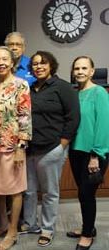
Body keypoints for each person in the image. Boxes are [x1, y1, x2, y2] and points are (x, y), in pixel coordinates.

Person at [21, 51, 80, 247]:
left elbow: (73, 117)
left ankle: (47, 229)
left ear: (51, 66)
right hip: (29, 148)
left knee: (49, 193)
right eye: (35, 64)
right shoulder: (28, 88)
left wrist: (62, 144)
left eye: (43, 63)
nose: (38, 67)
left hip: (51, 149)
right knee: (29, 191)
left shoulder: (62, 87)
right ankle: (30, 224)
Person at [0, 46, 32, 250]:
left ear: (12, 63)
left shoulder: (21, 85)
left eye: (5, 59)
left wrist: (21, 146)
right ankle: (3, 223)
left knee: (14, 188)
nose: (1, 63)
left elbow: (25, 117)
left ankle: (12, 231)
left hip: (12, 144)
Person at [67, 56, 109, 250]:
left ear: (92, 71)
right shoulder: (74, 93)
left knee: (87, 193)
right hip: (76, 150)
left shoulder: (99, 92)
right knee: (83, 194)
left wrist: (95, 155)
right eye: (77, 68)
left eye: (85, 68)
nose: (80, 72)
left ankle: (87, 235)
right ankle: (88, 227)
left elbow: (103, 125)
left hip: (94, 153)